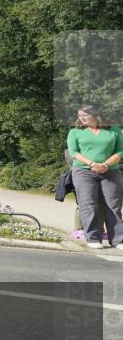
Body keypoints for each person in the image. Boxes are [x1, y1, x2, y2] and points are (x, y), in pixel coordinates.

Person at [68, 106, 123, 250]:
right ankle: (92, 238)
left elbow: (120, 151)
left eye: (85, 115)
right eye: (80, 115)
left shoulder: (114, 131)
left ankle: (118, 240)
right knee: (88, 204)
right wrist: (92, 164)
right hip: (84, 171)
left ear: (96, 115)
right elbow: (74, 152)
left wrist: (105, 164)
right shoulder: (75, 132)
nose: (82, 118)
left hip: (110, 171)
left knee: (113, 205)